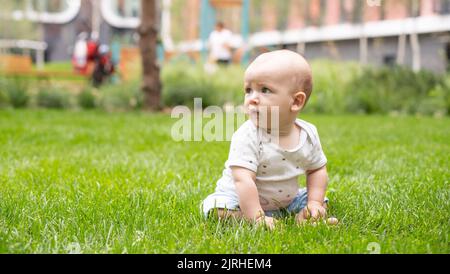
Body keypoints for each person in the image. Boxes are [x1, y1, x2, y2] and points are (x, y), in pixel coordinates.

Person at [201, 50, 338, 229]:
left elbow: (317, 170)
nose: (252, 99)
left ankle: (306, 217)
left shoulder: (308, 134)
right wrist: (256, 217)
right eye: (248, 90)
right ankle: (248, 218)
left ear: (296, 101)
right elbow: (243, 180)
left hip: (287, 199)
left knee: (320, 200)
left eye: (265, 90)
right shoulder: (247, 135)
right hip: (240, 199)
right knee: (215, 208)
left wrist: (314, 202)